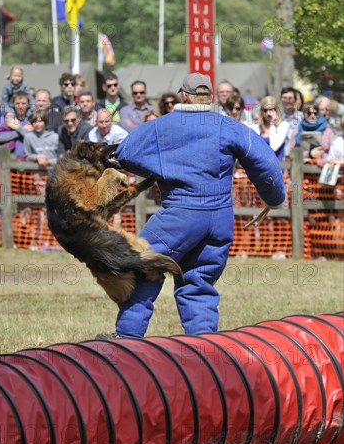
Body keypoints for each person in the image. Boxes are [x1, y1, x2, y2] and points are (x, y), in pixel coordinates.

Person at [102, 73, 285, 339]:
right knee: (198, 282)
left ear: (184, 96)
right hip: (219, 220)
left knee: (141, 267)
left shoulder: (162, 125)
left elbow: (125, 153)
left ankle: (126, 339)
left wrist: (157, 166)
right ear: (210, 97)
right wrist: (274, 198)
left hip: (179, 215)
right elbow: (265, 162)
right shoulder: (228, 126)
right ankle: (204, 349)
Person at [0, 91, 34, 159]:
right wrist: (21, 130)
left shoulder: (32, 120)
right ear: (13, 104)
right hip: (6, 158)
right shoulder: (6, 119)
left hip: (27, 160)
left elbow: (34, 139)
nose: (20, 106)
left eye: (23, 103)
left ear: (28, 105)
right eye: (17, 103)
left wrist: (18, 128)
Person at [258, 96, 291, 160]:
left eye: (271, 109)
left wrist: (272, 123)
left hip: (278, 166)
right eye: (265, 110)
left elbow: (274, 147)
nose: (268, 113)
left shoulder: (283, 125)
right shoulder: (258, 127)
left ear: (276, 110)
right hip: (260, 166)